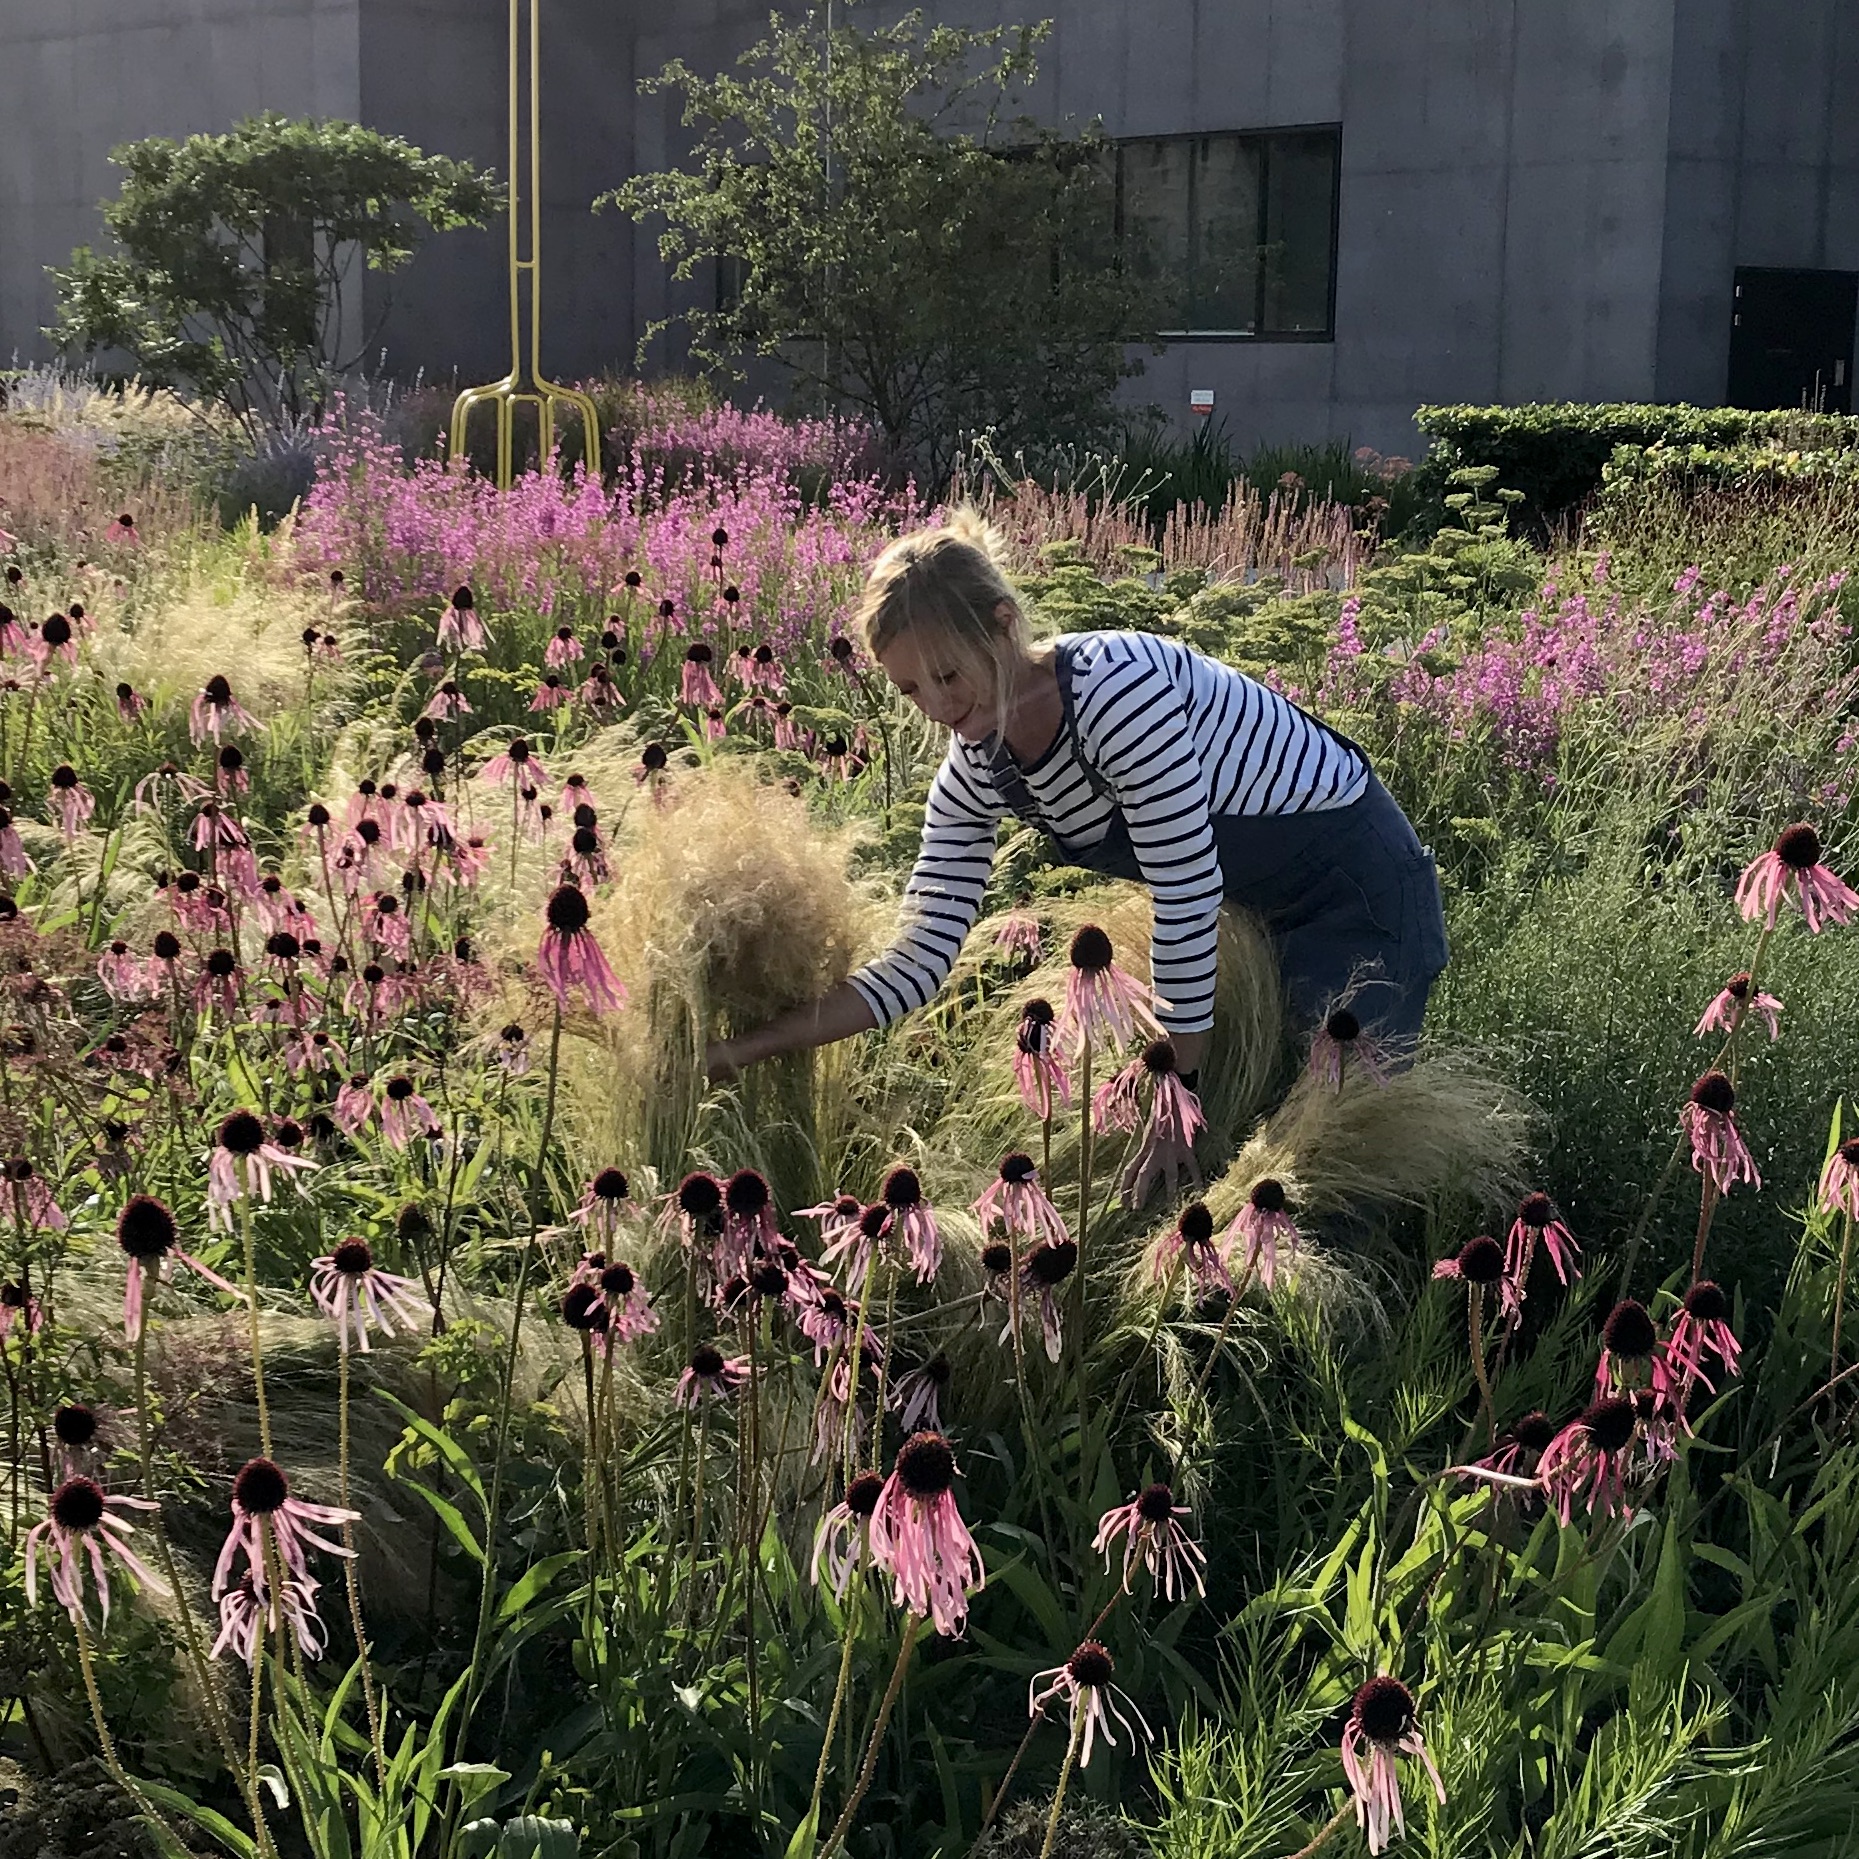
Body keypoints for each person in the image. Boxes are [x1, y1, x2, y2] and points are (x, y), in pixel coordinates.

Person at [704, 508, 1449, 1206]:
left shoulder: (1117, 695)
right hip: (1251, 915)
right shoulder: (976, 771)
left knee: (1336, 1155)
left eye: (948, 674)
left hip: (1357, 890)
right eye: (909, 688)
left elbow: (1185, 889)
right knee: (1248, 1141)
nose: (936, 705)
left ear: (1003, 625)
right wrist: (747, 1048)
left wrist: (1176, 1090)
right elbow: (920, 958)